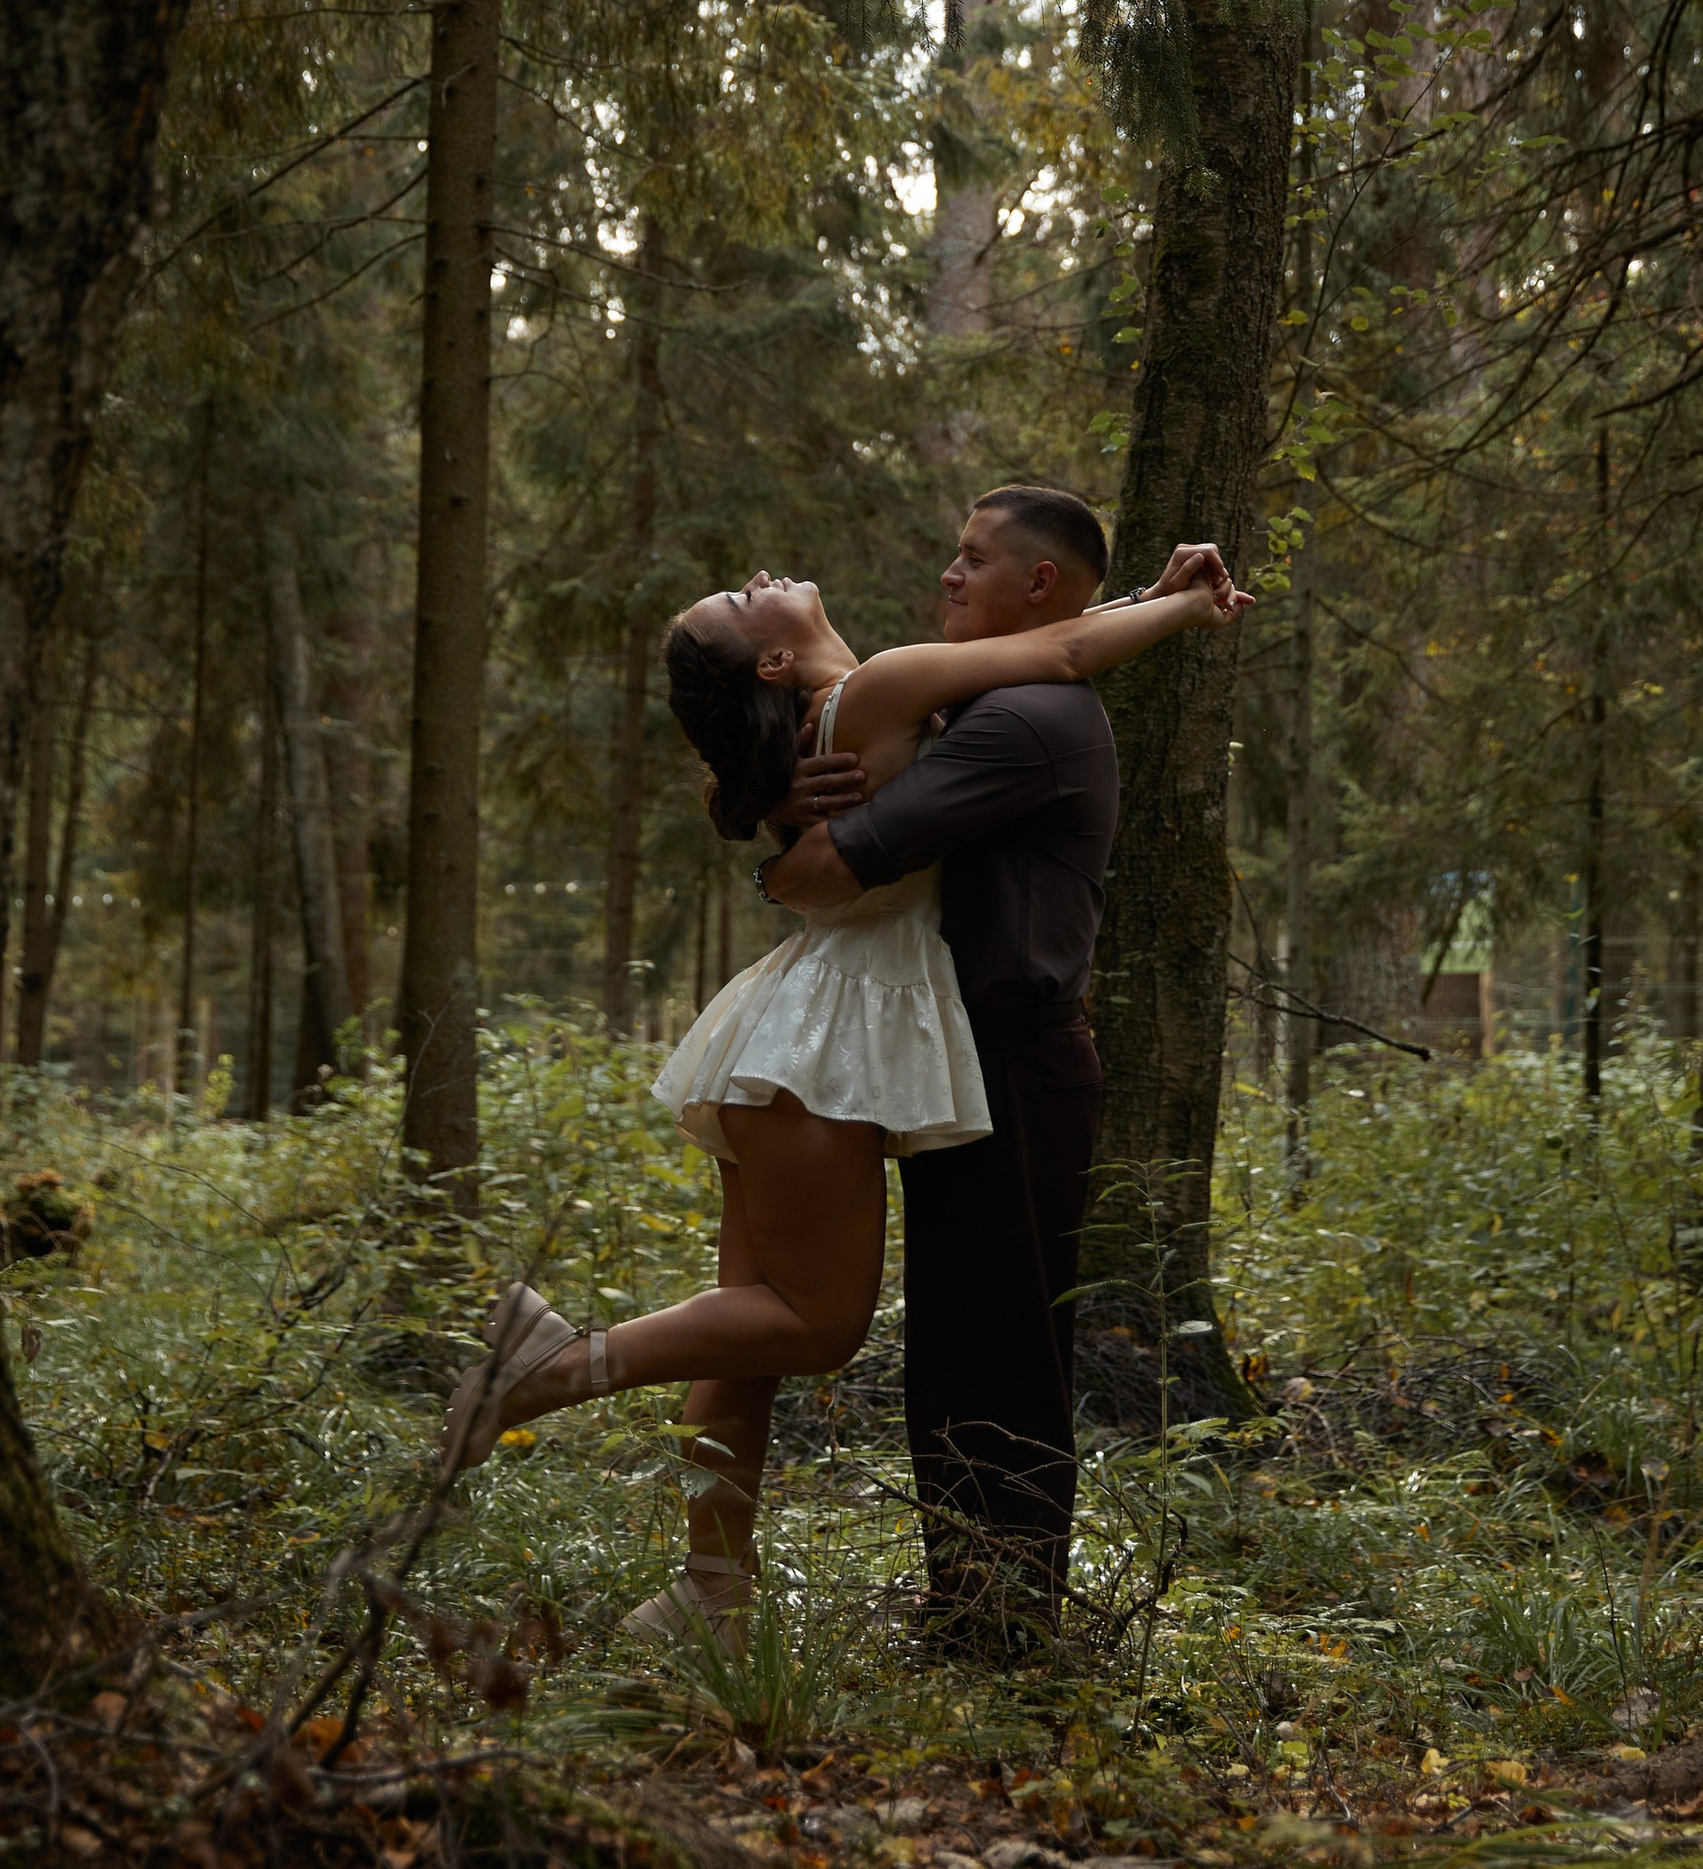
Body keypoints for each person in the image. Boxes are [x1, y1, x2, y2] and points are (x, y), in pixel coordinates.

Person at [436, 517, 1240, 1643]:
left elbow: (1039, 647)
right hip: (839, 1030)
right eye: (740, 596)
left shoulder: (827, 733)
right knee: (810, 1326)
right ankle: (562, 1365)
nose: (758, 572)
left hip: (790, 1021)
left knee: (745, 1326)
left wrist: (1139, 593)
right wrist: (1187, 609)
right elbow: (1053, 657)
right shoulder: (883, 692)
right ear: (770, 661)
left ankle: (711, 1588)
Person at [760, 485, 1142, 1651]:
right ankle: (977, 1607)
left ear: (1040, 585)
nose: (947, 575)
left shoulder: (1024, 720)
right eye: (951, 555)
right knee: (965, 1341)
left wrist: (790, 853)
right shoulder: (1003, 701)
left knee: (998, 1349)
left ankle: (1000, 1623)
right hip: (970, 1060)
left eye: (973, 561)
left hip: (1012, 1065)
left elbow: (838, 868)